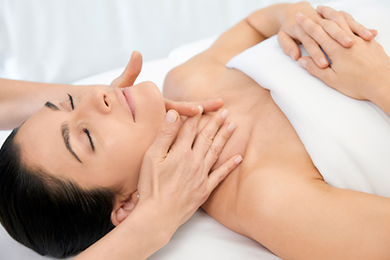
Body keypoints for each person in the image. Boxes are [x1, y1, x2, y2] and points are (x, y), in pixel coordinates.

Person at [0, 2, 389, 260]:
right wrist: (377, 80)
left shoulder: (186, 79)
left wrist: (298, 18)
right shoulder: (265, 198)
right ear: (128, 205)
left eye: (68, 103)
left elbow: (258, 23)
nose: (95, 99)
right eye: (85, 138)